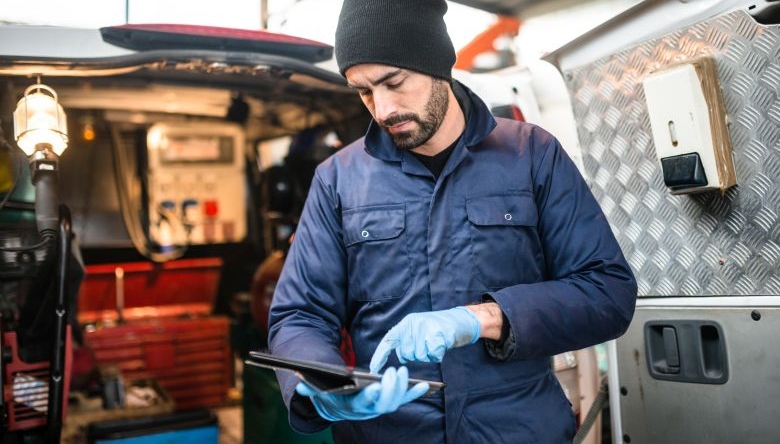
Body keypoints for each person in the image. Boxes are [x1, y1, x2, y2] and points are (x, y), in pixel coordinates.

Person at [267, 0, 638, 442]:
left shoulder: (532, 155)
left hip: (516, 430)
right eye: (363, 91)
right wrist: (319, 385)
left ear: (437, 63)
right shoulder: (338, 181)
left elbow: (606, 292)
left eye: (394, 82)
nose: (382, 109)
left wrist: (483, 317)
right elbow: (299, 315)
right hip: (392, 434)